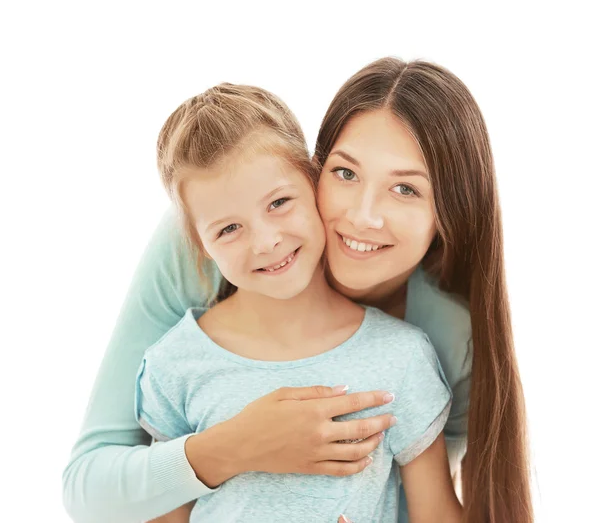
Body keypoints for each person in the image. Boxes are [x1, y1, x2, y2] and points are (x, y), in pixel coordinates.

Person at [62, 57, 532, 523]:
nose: (265, 240)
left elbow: (428, 511)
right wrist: (238, 444)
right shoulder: (178, 357)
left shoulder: (416, 354)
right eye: (346, 173)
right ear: (319, 171)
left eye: (406, 189)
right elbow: (132, 502)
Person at [135, 82, 460, 523]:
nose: (267, 242)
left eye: (280, 203)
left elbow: (437, 515)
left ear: (314, 182)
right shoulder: (175, 365)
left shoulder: (401, 357)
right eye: (229, 229)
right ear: (200, 243)